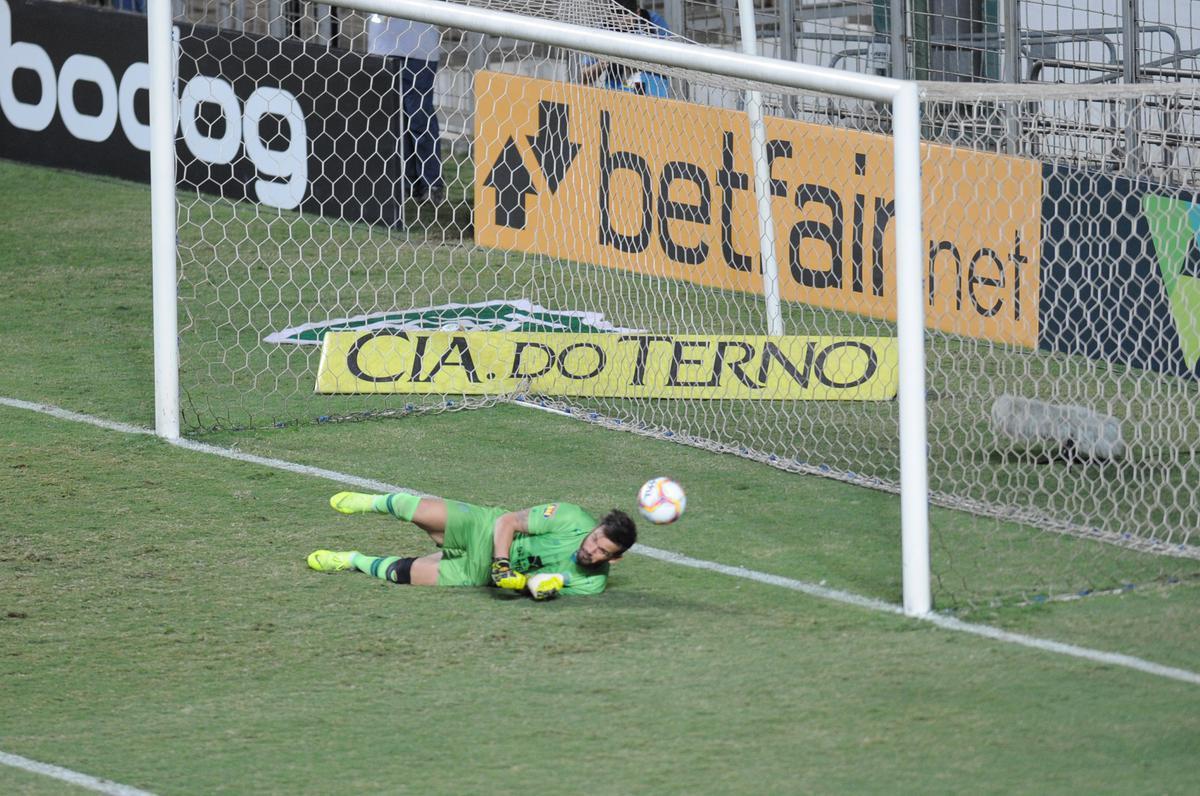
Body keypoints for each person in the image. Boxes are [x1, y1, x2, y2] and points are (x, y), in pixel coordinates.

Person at [307, 491, 638, 599]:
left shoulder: (592, 584)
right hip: (483, 529)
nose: (591, 550)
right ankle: (374, 502)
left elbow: (544, 586)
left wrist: (528, 585)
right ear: (594, 528)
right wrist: (502, 564)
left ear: (615, 559)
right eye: (595, 539)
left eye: (602, 552)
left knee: (400, 573)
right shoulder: (569, 517)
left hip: (476, 572)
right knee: (417, 509)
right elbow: (507, 522)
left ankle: (350, 559)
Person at [366, 14, 445, 204]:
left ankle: (431, 183)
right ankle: (404, 182)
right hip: (383, 45)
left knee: (419, 117)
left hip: (420, 48)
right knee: (391, 119)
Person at [579, 0, 672, 98]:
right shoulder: (603, 30)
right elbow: (585, 77)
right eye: (617, 15)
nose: (620, 21)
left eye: (625, 15)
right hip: (617, 98)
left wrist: (639, 59)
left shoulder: (652, 22)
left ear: (637, 13)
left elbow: (671, 61)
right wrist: (601, 64)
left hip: (654, 97)